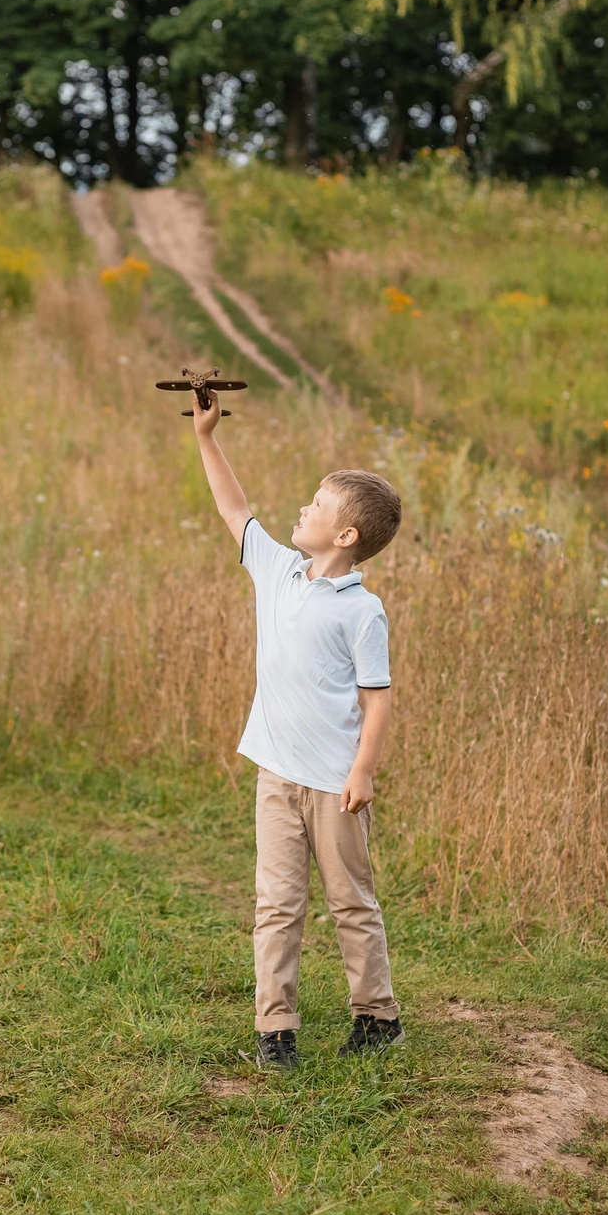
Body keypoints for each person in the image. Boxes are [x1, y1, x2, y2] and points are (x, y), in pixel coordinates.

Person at [191, 388, 404, 1069]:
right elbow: (234, 507)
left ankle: (377, 1016)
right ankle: (274, 1028)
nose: (303, 508)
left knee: (351, 903)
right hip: (276, 777)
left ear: (346, 537)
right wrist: (206, 437)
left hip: (334, 785)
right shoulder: (279, 569)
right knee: (276, 905)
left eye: (317, 505)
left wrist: (363, 771)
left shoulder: (361, 611)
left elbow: (377, 699)